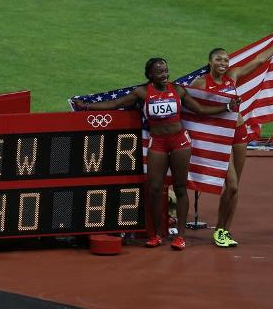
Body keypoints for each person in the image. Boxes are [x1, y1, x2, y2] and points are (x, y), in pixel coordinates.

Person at [74, 58, 238, 250]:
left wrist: (226, 107)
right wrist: (86, 106)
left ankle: (181, 236)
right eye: (159, 71)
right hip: (158, 143)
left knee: (180, 188)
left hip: (179, 142)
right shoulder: (142, 92)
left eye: (166, 70)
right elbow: (115, 103)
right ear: (150, 74)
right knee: (153, 188)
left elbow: (200, 109)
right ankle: (157, 234)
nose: (164, 74)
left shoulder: (177, 90)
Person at [191, 29, 273, 247]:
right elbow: (193, 110)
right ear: (209, 61)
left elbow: (258, 60)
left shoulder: (232, 76)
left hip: (239, 132)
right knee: (232, 185)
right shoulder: (200, 83)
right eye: (218, 59)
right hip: (219, 137)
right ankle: (219, 230)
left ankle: (224, 231)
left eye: (226, 59)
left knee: (235, 187)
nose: (223, 62)